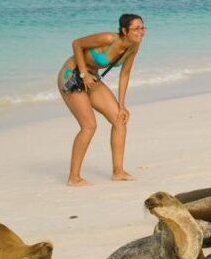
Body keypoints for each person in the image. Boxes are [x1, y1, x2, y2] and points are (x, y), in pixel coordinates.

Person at [58, 14, 145, 187]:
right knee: (89, 126)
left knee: (119, 120)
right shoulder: (107, 38)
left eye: (143, 28)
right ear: (124, 30)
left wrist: (122, 104)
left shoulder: (133, 47)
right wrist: (83, 73)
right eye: (136, 28)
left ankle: (118, 172)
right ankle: (74, 177)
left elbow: (125, 74)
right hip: (72, 75)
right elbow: (77, 44)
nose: (141, 32)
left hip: (92, 79)